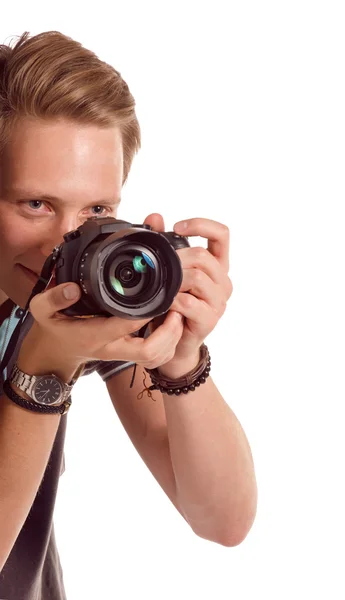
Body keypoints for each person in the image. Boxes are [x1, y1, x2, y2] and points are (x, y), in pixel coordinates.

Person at [0, 31, 257, 599]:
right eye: (35, 204)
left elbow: (222, 520)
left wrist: (181, 353)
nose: (62, 245)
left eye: (97, 210)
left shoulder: (74, 302)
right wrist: (45, 365)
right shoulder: (53, 330)